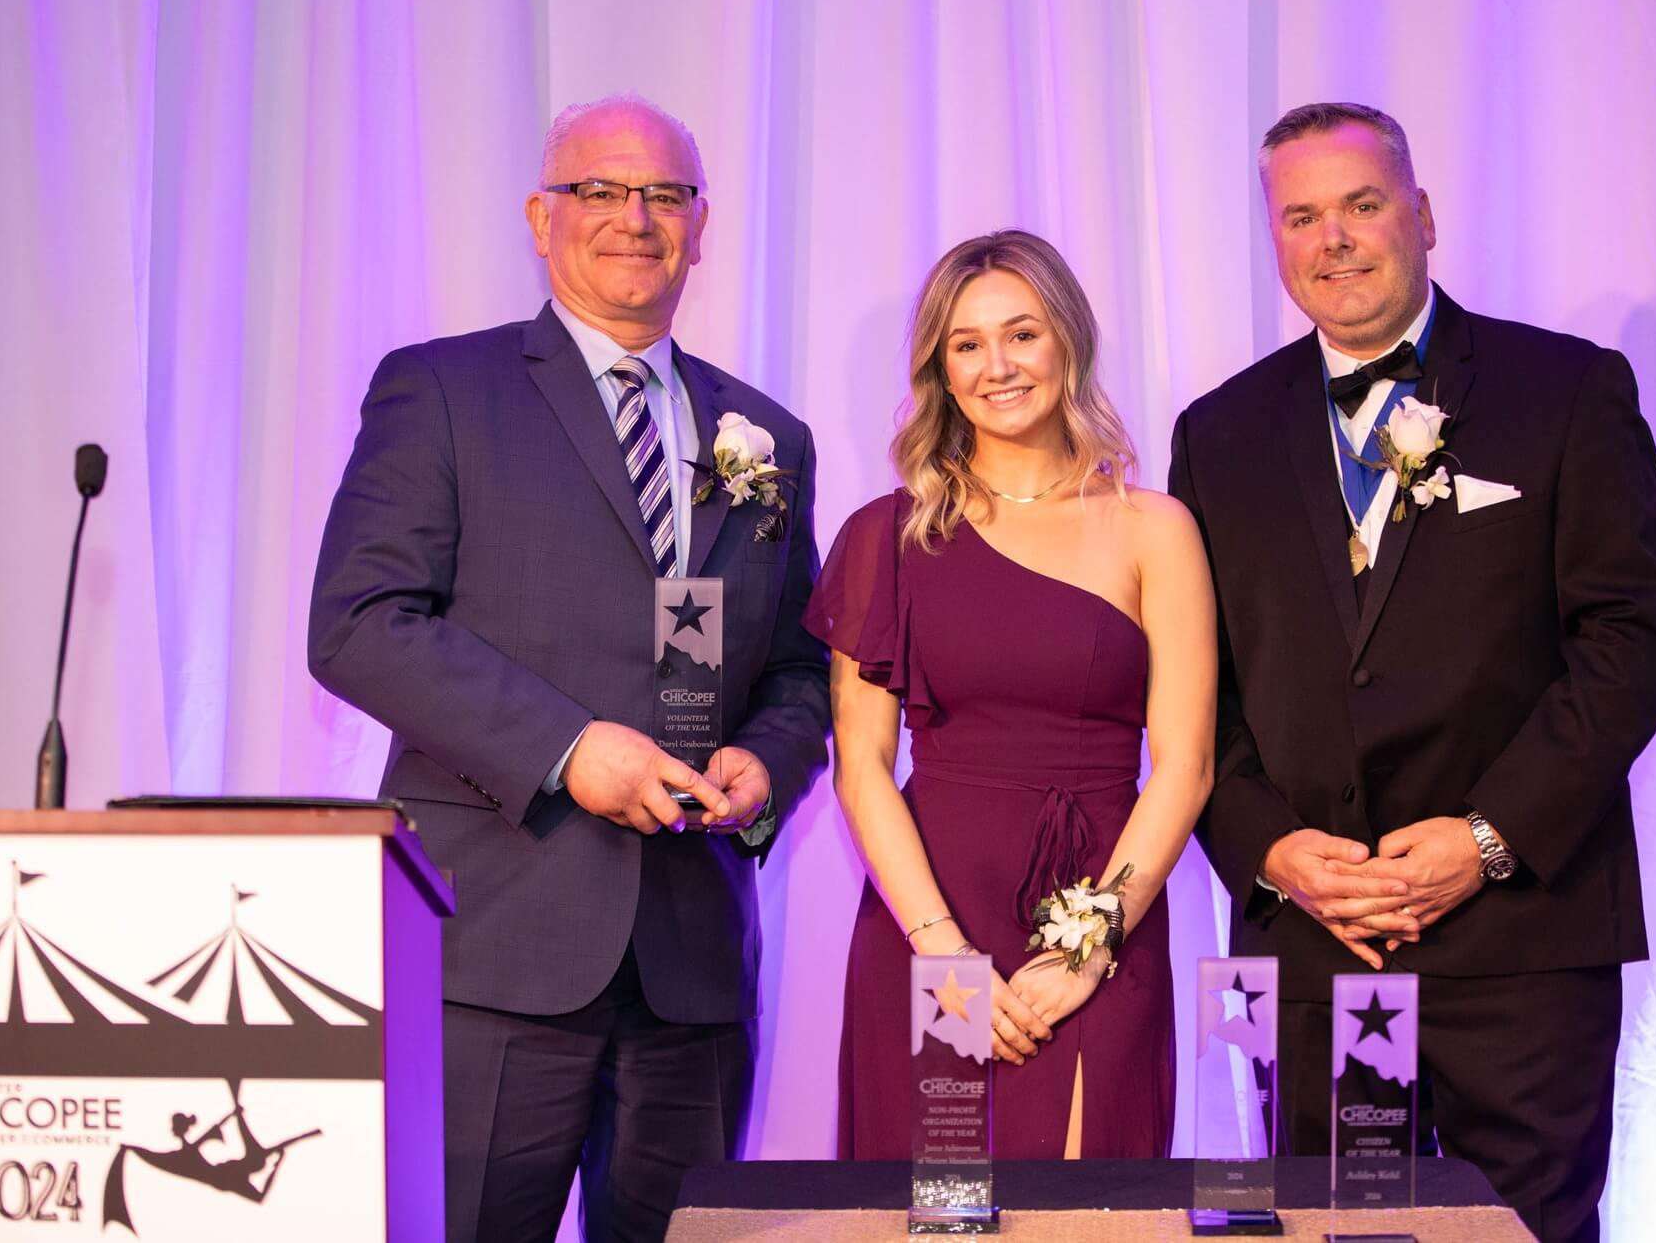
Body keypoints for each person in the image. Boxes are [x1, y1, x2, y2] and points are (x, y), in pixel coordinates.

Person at [308, 94, 830, 1243]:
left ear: (702, 226)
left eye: (663, 195)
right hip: (496, 950)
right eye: (599, 189)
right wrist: (566, 748)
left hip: (691, 963)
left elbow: (800, 668)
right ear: (541, 217)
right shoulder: (442, 390)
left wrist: (766, 763)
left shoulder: (767, 435)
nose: (632, 217)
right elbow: (357, 621)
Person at [1170, 102, 1656, 1242]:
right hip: (1317, 939)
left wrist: (1487, 838)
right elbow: (1203, 693)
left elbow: (1625, 644)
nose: (1333, 239)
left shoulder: (1565, 391)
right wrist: (1269, 849)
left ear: (1423, 214)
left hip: (1521, 939)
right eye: (1300, 217)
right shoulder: (1217, 432)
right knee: (1337, 1236)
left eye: (1359, 205)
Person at [803, 229, 1215, 1159]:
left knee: (1088, 1212)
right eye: (967, 343)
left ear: (1067, 341)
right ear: (941, 373)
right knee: (928, 1216)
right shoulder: (885, 536)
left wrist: (1089, 946)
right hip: (929, 914)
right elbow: (860, 769)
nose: (998, 365)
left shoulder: (1156, 528)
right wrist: (943, 954)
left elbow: (1184, 767)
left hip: (1104, 913)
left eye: (1022, 334)